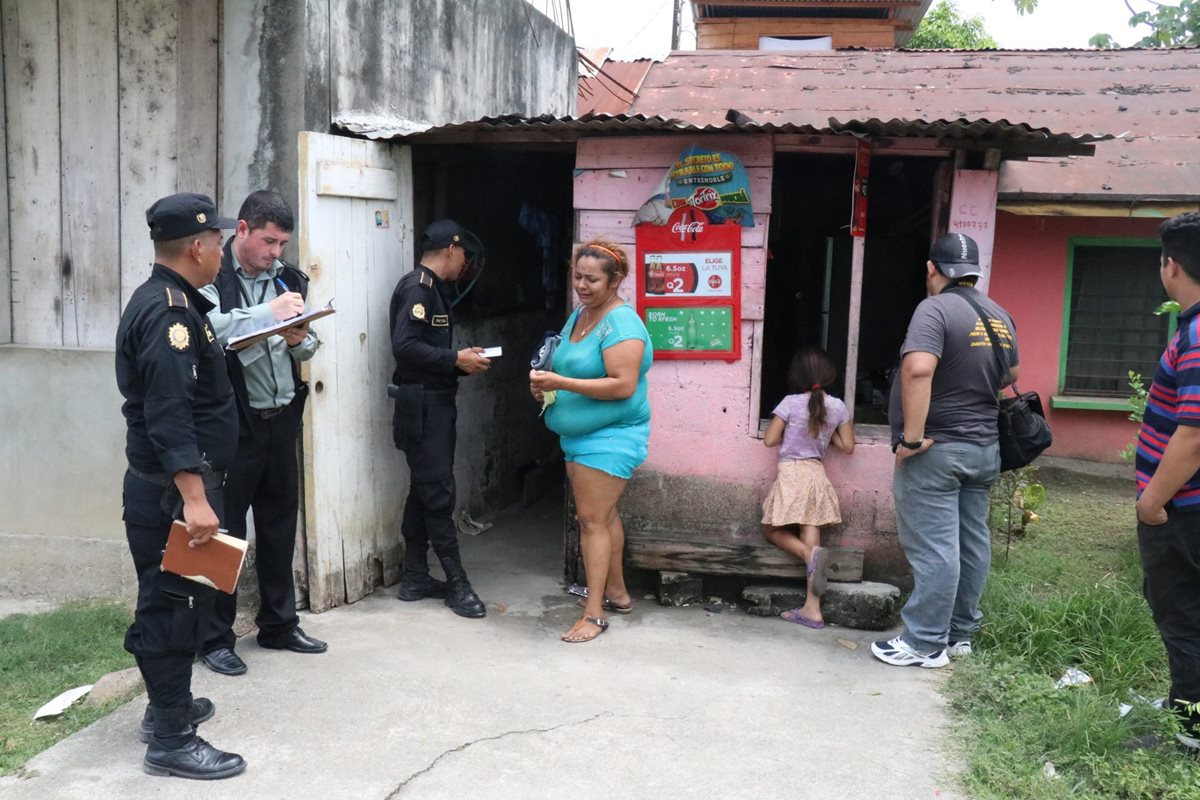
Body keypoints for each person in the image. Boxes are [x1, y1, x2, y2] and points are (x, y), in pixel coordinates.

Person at [115, 192, 246, 779]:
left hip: (180, 489)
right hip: (175, 496)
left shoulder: (174, 301)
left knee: (182, 599)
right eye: (218, 241)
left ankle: (168, 702)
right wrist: (195, 497)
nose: (222, 251)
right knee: (174, 606)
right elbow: (169, 413)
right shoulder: (169, 315)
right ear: (197, 247)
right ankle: (170, 736)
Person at [871, 233, 1019, 669]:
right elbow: (1012, 371)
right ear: (974, 270)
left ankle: (924, 642)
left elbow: (918, 368)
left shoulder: (933, 309)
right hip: (983, 448)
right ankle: (959, 636)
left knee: (935, 548)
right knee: (972, 544)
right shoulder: (998, 313)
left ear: (932, 269)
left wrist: (912, 439)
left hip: (937, 450)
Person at [196, 190, 327, 677]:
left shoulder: (290, 281)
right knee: (223, 531)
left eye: (283, 243)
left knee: (277, 527)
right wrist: (268, 316)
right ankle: (213, 637)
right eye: (269, 241)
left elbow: (309, 348)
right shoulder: (213, 278)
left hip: (280, 418)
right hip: (233, 427)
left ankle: (279, 624)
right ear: (243, 230)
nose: (276, 252)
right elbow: (211, 332)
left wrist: (300, 338)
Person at [529, 241, 653, 643]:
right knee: (605, 516)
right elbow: (567, 364)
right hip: (580, 437)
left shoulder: (622, 324)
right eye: (577, 276)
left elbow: (622, 385)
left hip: (611, 436)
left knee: (592, 522)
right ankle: (617, 593)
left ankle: (594, 614)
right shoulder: (581, 315)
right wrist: (549, 392)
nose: (582, 285)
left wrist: (560, 383)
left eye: (592, 279)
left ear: (616, 280)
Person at [389, 219, 491, 618]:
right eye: (464, 254)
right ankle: (457, 583)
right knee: (438, 494)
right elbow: (405, 346)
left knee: (424, 490)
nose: (465, 263)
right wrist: (454, 358)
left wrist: (460, 364)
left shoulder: (434, 290)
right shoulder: (419, 288)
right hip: (423, 407)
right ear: (451, 250)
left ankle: (415, 576)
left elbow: (425, 351)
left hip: (434, 401)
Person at [1134, 211, 1200, 756]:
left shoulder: (1199, 332)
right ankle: (1186, 704)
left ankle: (1190, 729)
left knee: (1182, 614)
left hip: (1184, 508)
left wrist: (1153, 503)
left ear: (1171, 265)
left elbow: (1194, 435)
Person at [761, 346, 855, 629]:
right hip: (816, 474)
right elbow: (848, 446)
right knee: (811, 533)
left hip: (791, 472)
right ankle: (812, 608)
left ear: (796, 376)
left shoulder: (790, 403)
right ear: (829, 376)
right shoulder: (837, 407)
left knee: (771, 528)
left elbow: (769, 440)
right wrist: (825, 434)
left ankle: (806, 555)